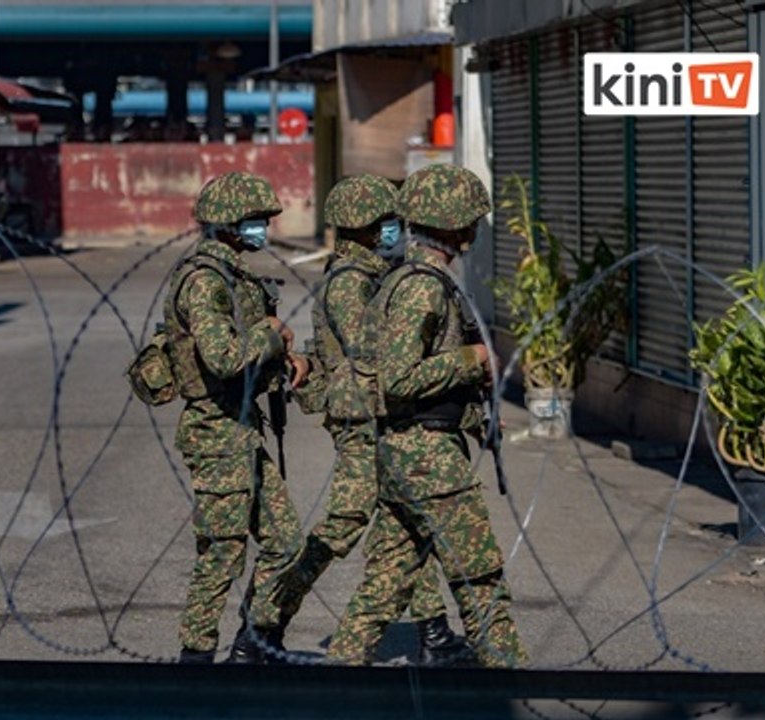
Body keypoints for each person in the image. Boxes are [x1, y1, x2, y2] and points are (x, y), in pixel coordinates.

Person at [326, 164, 527, 668]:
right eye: (473, 220)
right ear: (455, 223)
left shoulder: (410, 277)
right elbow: (398, 377)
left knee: (385, 582)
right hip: (426, 457)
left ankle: (335, 683)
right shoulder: (422, 286)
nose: (478, 229)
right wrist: (474, 360)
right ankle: (512, 686)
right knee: (479, 578)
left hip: (407, 453)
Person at [273, 174, 466, 665]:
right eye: (385, 222)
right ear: (361, 228)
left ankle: (434, 633)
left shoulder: (375, 275)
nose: (394, 230)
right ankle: (267, 615)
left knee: (406, 524)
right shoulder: (349, 285)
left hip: (376, 419)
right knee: (343, 525)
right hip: (362, 424)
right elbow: (378, 359)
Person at [168, 172, 309, 664]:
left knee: (285, 542)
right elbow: (224, 358)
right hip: (217, 432)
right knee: (223, 553)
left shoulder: (234, 275)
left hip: (243, 429)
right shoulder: (205, 282)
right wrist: (270, 333)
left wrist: (282, 358)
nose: (263, 229)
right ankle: (197, 657)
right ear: (229, 224)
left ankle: (255, 642)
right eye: (256, 221)